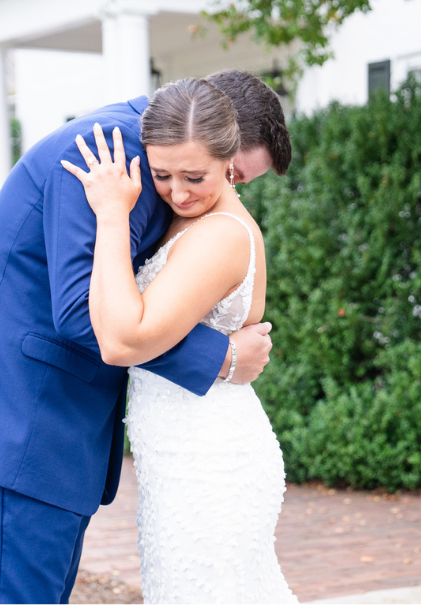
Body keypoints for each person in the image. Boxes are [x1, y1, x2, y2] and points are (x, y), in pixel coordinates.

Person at [0, 69, 289, 605]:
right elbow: (83, 313)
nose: (222, 191)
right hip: (13, 422)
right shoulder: (107, 154)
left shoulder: (160, 165)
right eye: (233, 173)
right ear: (213, 127)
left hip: (49, 433)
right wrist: (219, 356)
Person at [63, 77, 297, 603]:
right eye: (164, 175)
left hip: (209, 462)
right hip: (180, 459)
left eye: (197, 175)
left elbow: (123, 342)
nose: (179, 191)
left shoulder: (219, 234)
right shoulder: (191, 219)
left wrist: (110, 213)